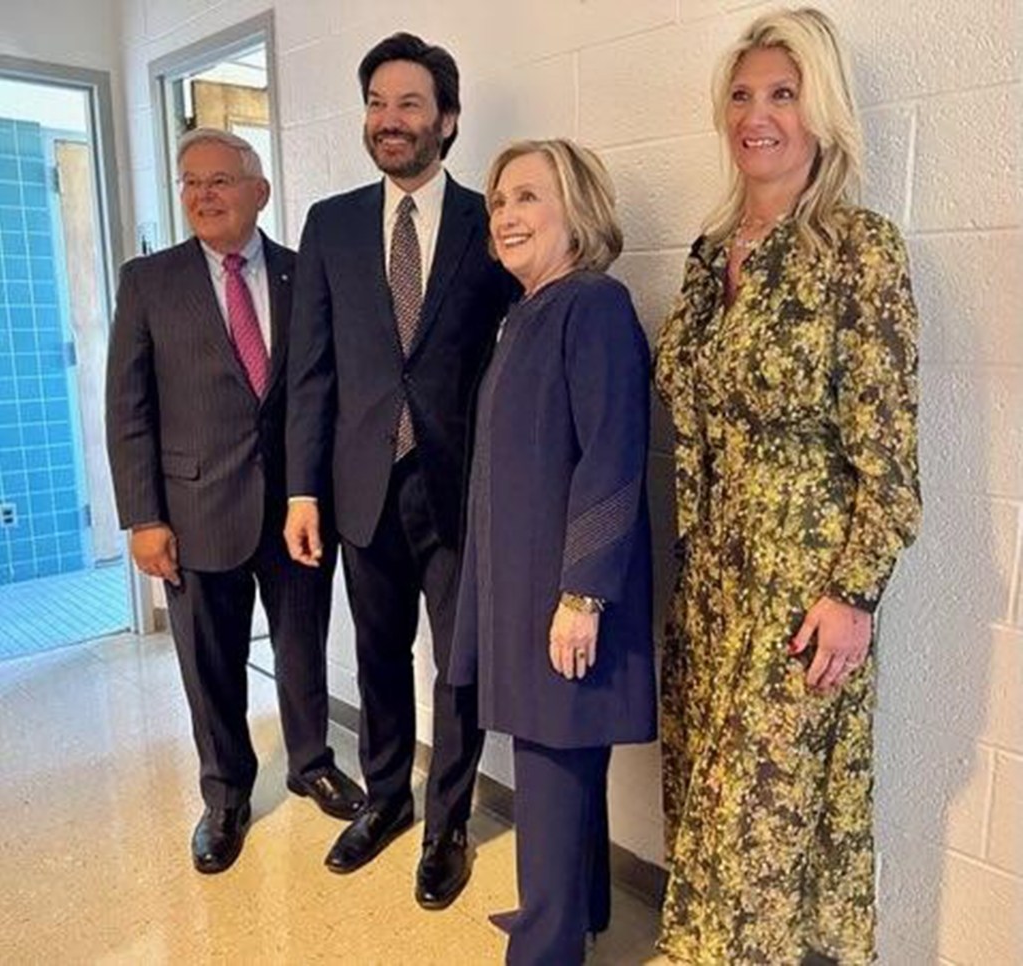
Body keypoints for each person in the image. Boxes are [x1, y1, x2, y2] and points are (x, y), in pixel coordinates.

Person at [653, 8, 922, 964]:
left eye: (782, 92)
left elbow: (890, 461)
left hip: (801, 594)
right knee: (704, 818)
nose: (755, 115)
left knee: (757, 845)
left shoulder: (860, 250)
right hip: (709, 590)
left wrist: (852, 595)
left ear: (822, 111)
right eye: (740, 94)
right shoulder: (706, 256)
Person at [284, 33, 514, 907]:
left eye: (409, 104)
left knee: (459, 666)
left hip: (459, 488)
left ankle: (448, 822)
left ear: (446, 119)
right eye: (377, 103)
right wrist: (303, 490)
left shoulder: (485, 221)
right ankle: (386, 800)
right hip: (360, 486)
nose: (390, 120)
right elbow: (311, 371)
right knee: (379, 655)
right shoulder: (331, 224)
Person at [105, 128, 364, 876]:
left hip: (293, 510)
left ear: (260, 192)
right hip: (192, 510)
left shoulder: (298, 273)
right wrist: (144, 517)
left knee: (301, 647)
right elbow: (128, 409)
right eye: (190, 182)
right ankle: (224, 796)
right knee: (209, 664)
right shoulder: (149, 281)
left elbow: (325, 388)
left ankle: (310, 760)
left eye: (220, 180)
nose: (203, 195)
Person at [449, 139, 657, 965]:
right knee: (562, 760)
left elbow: (613, 455)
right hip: (521, 581)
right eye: (499, 200)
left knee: (551, 763)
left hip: (567, 591)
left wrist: (584, 595)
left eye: (527, 197)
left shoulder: (592, 304)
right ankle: (576, 911)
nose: (505, 215)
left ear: (578, 211)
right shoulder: (527, 312)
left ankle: (546, 945)